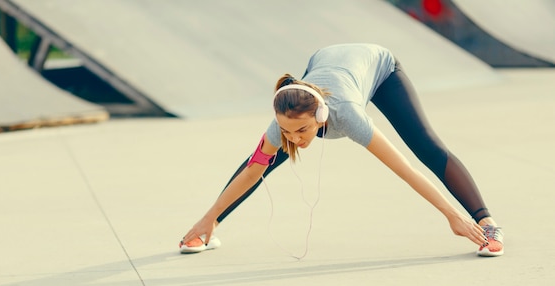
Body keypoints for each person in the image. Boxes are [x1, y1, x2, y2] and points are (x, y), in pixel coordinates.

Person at [179, 43, 504, 257]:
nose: (296, 139)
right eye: (288, 131)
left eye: (303, 130)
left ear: (321, 117)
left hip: (380, 68)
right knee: (258, 162)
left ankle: (486, 222)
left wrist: (453, 217)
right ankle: (210, 229)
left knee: (426, 146)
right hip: (327, 59)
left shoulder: (347, 115)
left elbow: (405, 169)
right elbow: (253, 170)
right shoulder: (284, 123)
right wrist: (208, 217)